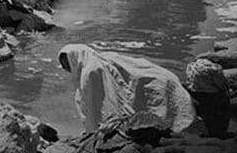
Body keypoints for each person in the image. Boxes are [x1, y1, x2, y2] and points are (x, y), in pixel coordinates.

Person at [58, 44, 196, 134]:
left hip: (158, 84)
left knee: (161, 119)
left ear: (75, 58)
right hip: (160, 78)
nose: (66, 68)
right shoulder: (100, 57)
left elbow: (97, 107)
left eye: (67, 63)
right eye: (64, 65)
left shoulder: (90, 72)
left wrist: (94, 133)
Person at [184, 58, 231, 138]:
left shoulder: (192, 68)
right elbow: (223, 86)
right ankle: (218, 133)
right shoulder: (215, 71)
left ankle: (211, 132)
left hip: (201, 94)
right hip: (211, 95)